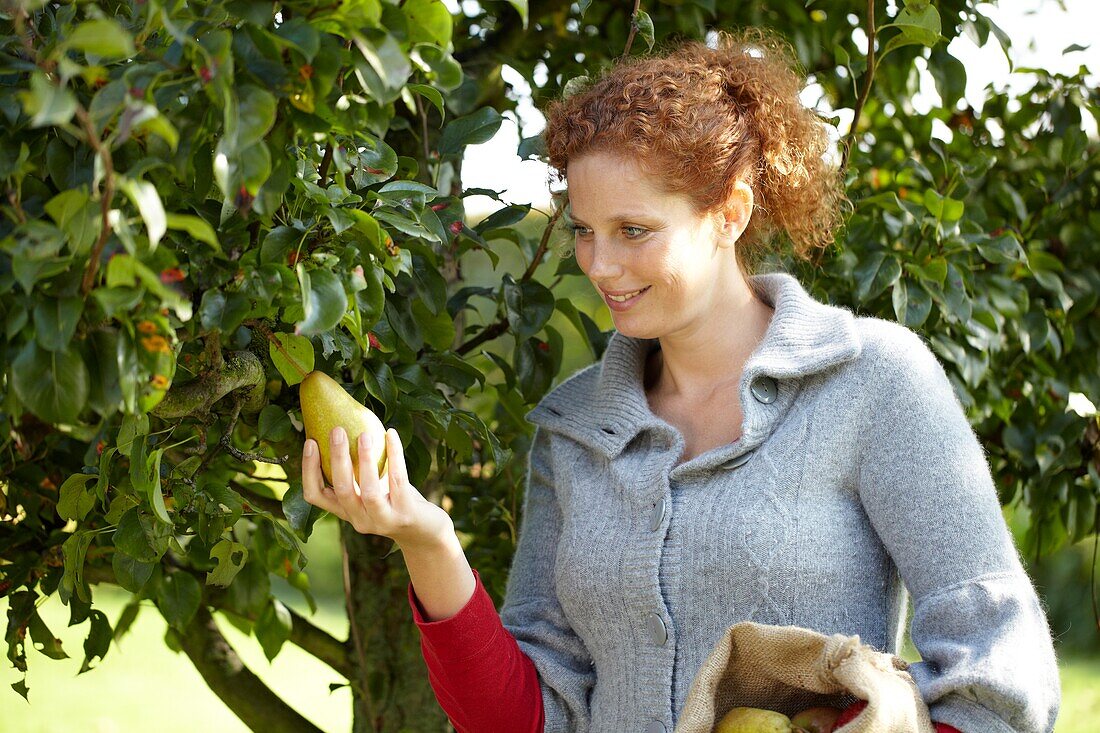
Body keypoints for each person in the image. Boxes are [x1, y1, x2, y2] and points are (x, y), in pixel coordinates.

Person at [301, 29, 1061, 733]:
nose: (599, 265)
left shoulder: (873, 382)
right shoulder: (573, 430)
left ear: (729, 213)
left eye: (634, 231)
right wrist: (425, 539)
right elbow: (523, 719)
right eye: (584, 231)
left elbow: (1003, 669)